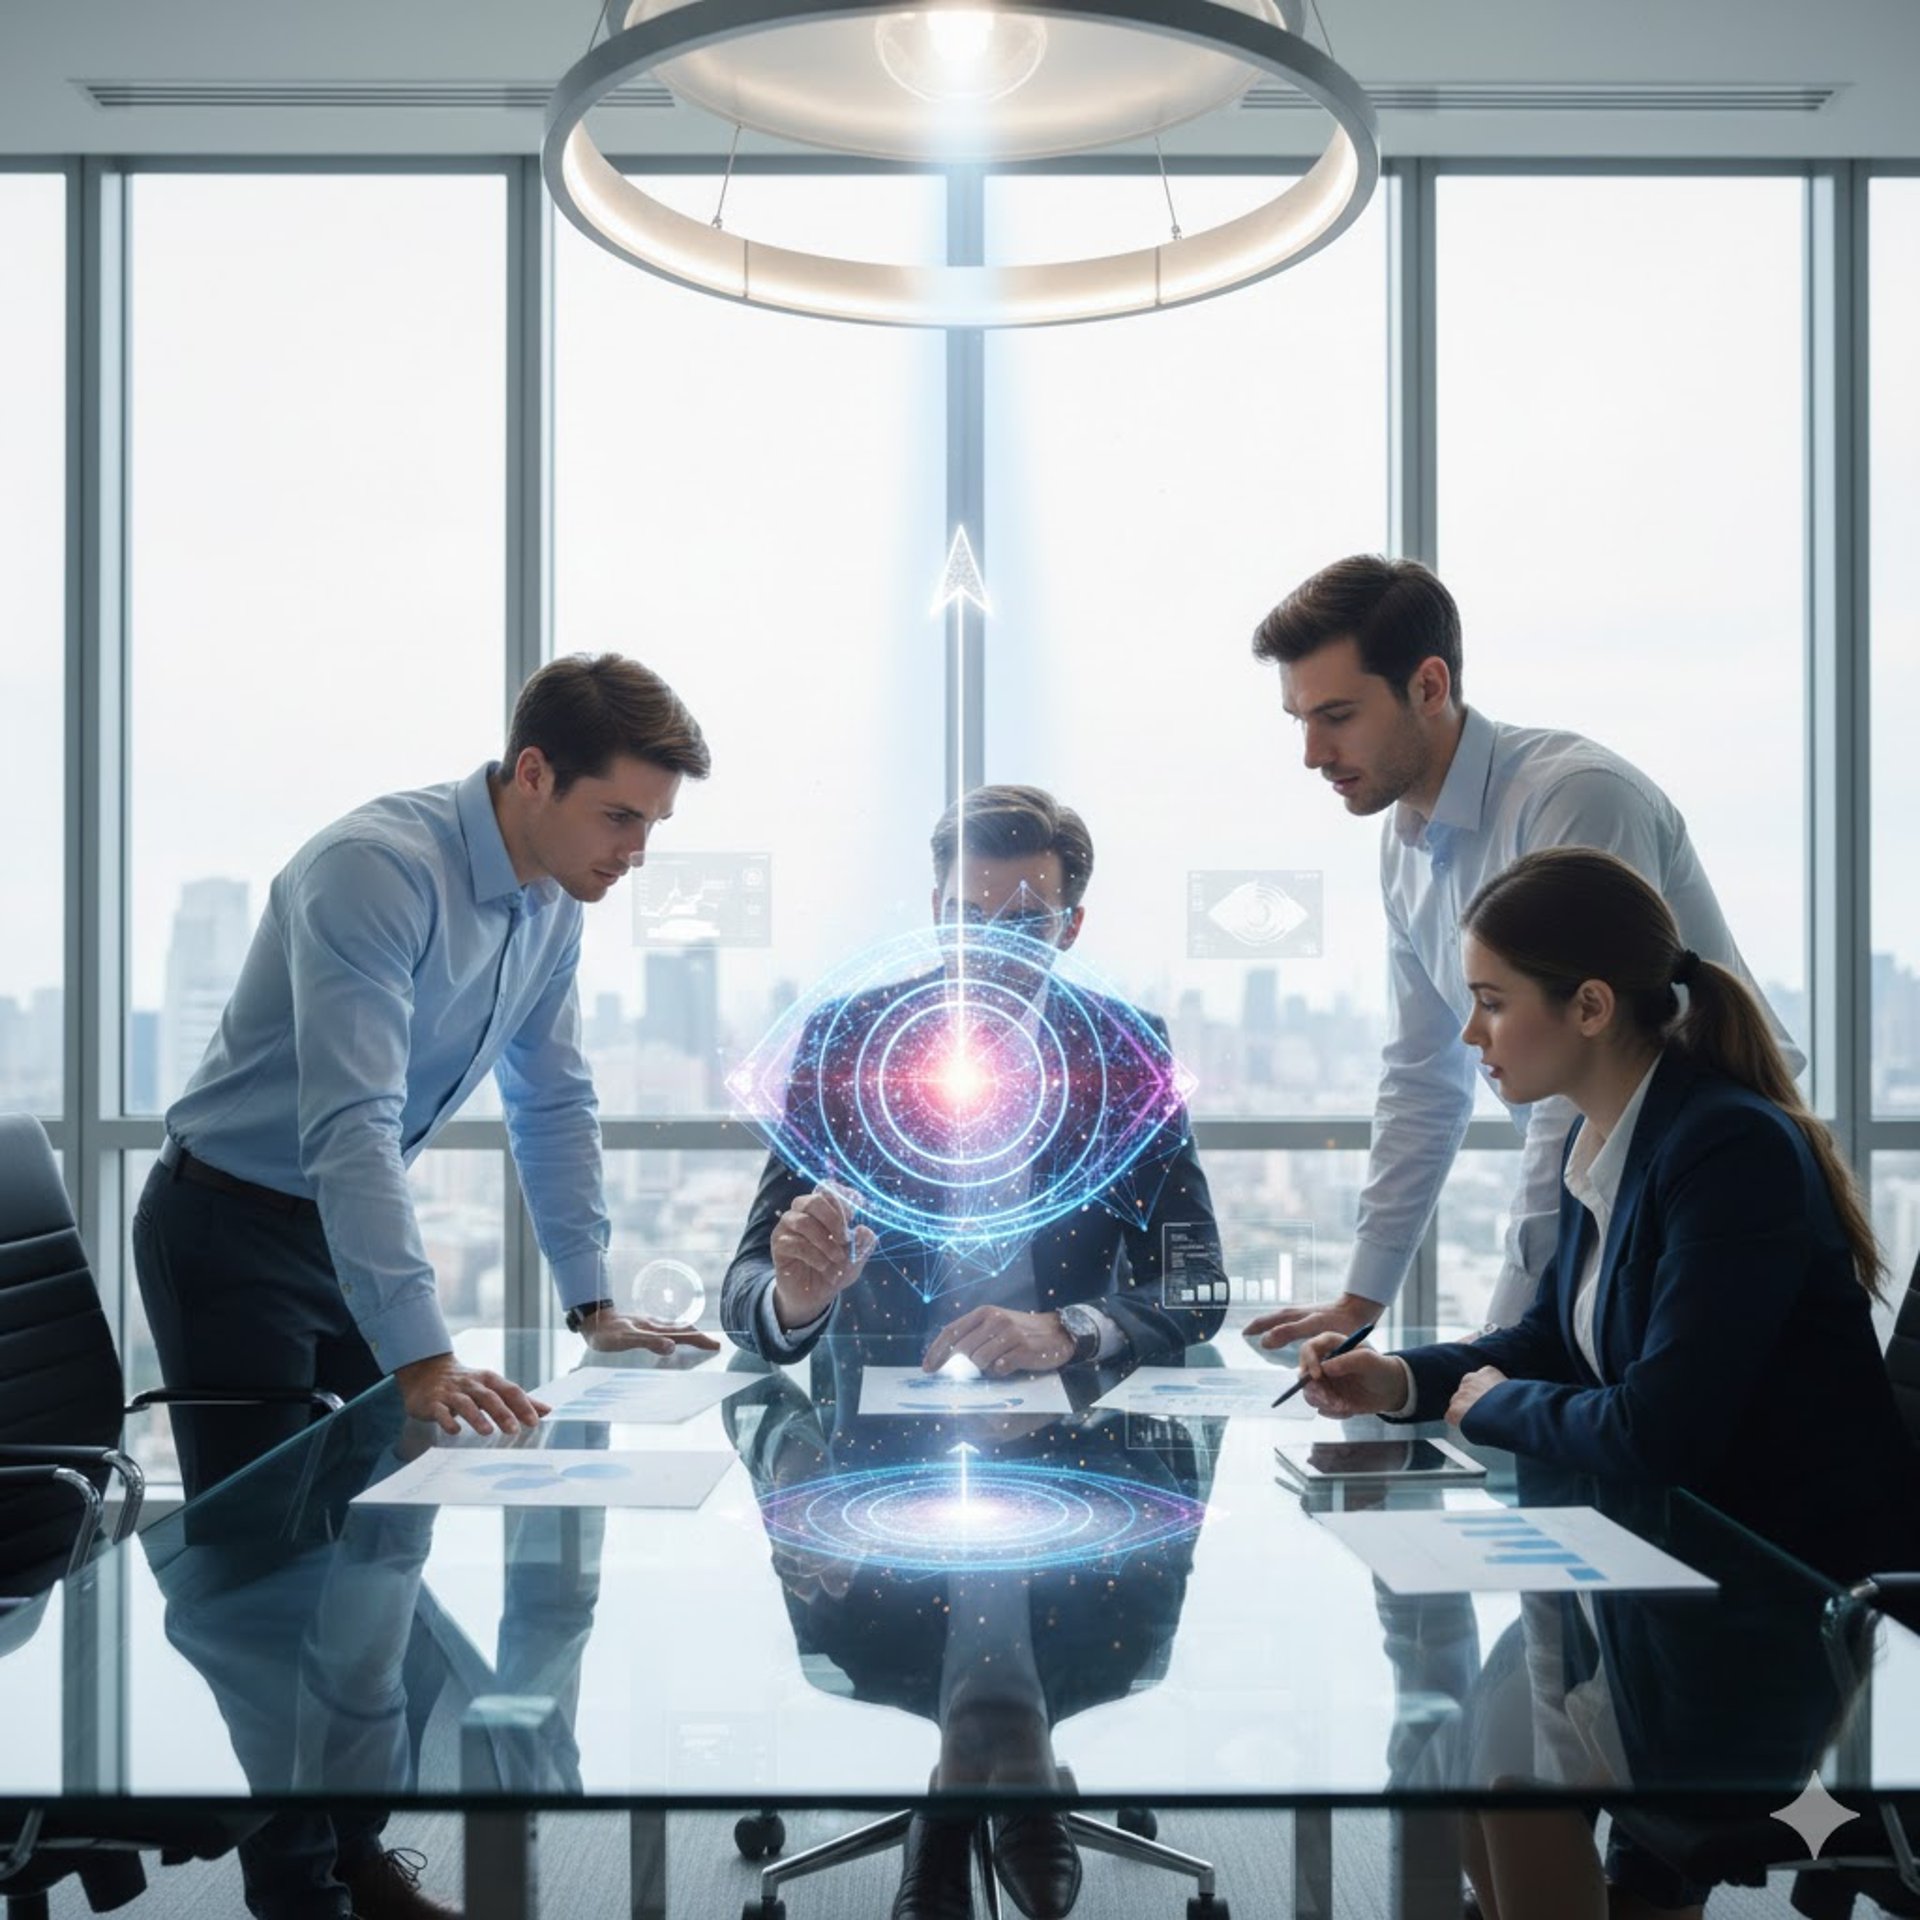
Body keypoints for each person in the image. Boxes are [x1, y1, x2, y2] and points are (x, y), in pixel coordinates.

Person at [133, 653, 721, 1920]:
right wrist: (422, 1353)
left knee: (385, 1546)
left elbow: (553, 1101)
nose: (634, 853)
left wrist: (592, 1301)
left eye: (653, 828)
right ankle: (294, 1882)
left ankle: (351, 1846)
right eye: (619, 816)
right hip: (229, 1229)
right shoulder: (376, 870)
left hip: (341, 1229)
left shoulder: (551, 905)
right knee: (267, 1580)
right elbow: (350, 1125)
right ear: (532, 773)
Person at [1294, 845, 1919, 1583]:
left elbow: (1661, 1431)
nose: (1472, 1033)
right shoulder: (1604, 1136)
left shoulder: (1728, 1147)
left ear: (1590, 1006)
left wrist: (1496, 1406)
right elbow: (1554, 1338)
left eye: (1492, 1002)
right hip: (1676, 1558)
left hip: (1793, 1584)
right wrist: (1397, 1379)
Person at [1240, 556, 1802, 1347]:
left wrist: (1502, 1341)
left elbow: (1569, 1097)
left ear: (1428, 687)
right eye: (1298, 719)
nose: (1310, 752)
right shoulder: (1404, 844)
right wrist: (1363, 1299)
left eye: (1336, 714)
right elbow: (1422, 1080)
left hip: (1717, 1195)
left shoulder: (1574, 799)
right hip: (1617, 1208)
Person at [721, 783, 1227, 1377]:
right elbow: (748, 1277)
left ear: (1071, 928)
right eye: (968, 917)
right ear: (937, 911)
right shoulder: (848, 1039)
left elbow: (1198, 1284)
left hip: (1066, 1408)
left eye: (1024, 923)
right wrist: (794, 1302)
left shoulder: (1125, 1050)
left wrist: (1072, 1330)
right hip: (881, 1416)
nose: (987, 949)